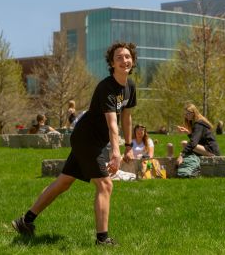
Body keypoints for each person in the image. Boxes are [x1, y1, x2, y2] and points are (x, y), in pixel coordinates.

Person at [12, 42, 138, 246]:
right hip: (87, 140)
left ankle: (25, 221)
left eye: (127, 56)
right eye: (119, 57)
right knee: (105, 184)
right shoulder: (107, 87)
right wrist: (116, 152)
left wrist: (129, 146)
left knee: (64, 182)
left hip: (93, 141)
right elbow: (112, 123)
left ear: (132, 59)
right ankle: (102, 240)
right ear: (112, 63)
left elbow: (126, 117)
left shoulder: (130, 86)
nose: (125, 60)